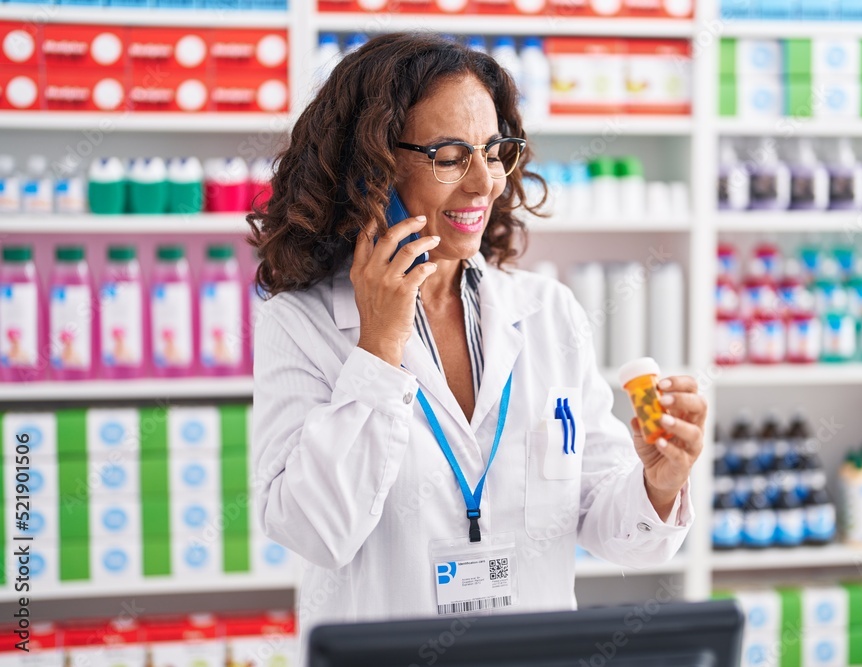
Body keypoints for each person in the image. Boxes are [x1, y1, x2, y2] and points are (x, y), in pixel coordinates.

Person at [249, 31, 706, 654]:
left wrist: (658, 481)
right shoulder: (302, 323)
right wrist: (379, 345)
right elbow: (314, 529)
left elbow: (613, 530)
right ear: (371, 169)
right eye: (448, 155)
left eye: (494, 152)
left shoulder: (547, 313)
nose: (483, 183)